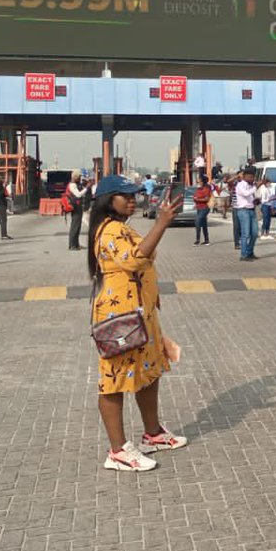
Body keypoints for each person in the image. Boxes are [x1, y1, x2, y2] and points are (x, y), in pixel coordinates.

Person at [88, 175, 188, 471]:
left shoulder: (123, 227)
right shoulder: (109, 231)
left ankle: (152, 433)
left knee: (149, 371)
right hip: (120, 316)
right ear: (108, 200)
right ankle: (117, 451)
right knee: (113, 381)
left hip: (140, 312)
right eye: (125, 195)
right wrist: (161, 224)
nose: (132, 199)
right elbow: (133, 260)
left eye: (134, 195)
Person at [233, 167, 258, 261]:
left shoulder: (251, 185)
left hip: (251, 210)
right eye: (249, 177)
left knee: (255, 233)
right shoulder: (240, 185)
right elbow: (246, 194)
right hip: (243, 211)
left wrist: (256, 200)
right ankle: (243, 255)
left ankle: (249, 252)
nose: (251, 179)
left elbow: (250, 197)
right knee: (245, 234)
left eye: (253, 177)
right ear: (244, 176)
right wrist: (256, 187)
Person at [67, 175, 88, 250]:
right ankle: (72, 245)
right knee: (75, 226)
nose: (80, 179)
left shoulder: (76, 185)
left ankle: (76, 244)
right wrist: (86, 188)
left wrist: (84, 186)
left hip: (78, 206)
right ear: (76, 177)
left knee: (78, 226)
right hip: (75, 207)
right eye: (79, 177)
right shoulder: (72, 185)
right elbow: (78, 195)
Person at [192, 175, 212, 245]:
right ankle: (207, 240)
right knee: (204, 224)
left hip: (205, 208)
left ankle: (197, 240)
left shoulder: (206, 189)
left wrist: (198, 199)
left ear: (203, 181)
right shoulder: (198, 189)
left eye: (199, 180)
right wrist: (195, 199)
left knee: (197, 222)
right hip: (199, 208)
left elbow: (206, 199)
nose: (198, 181)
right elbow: (194, 197)